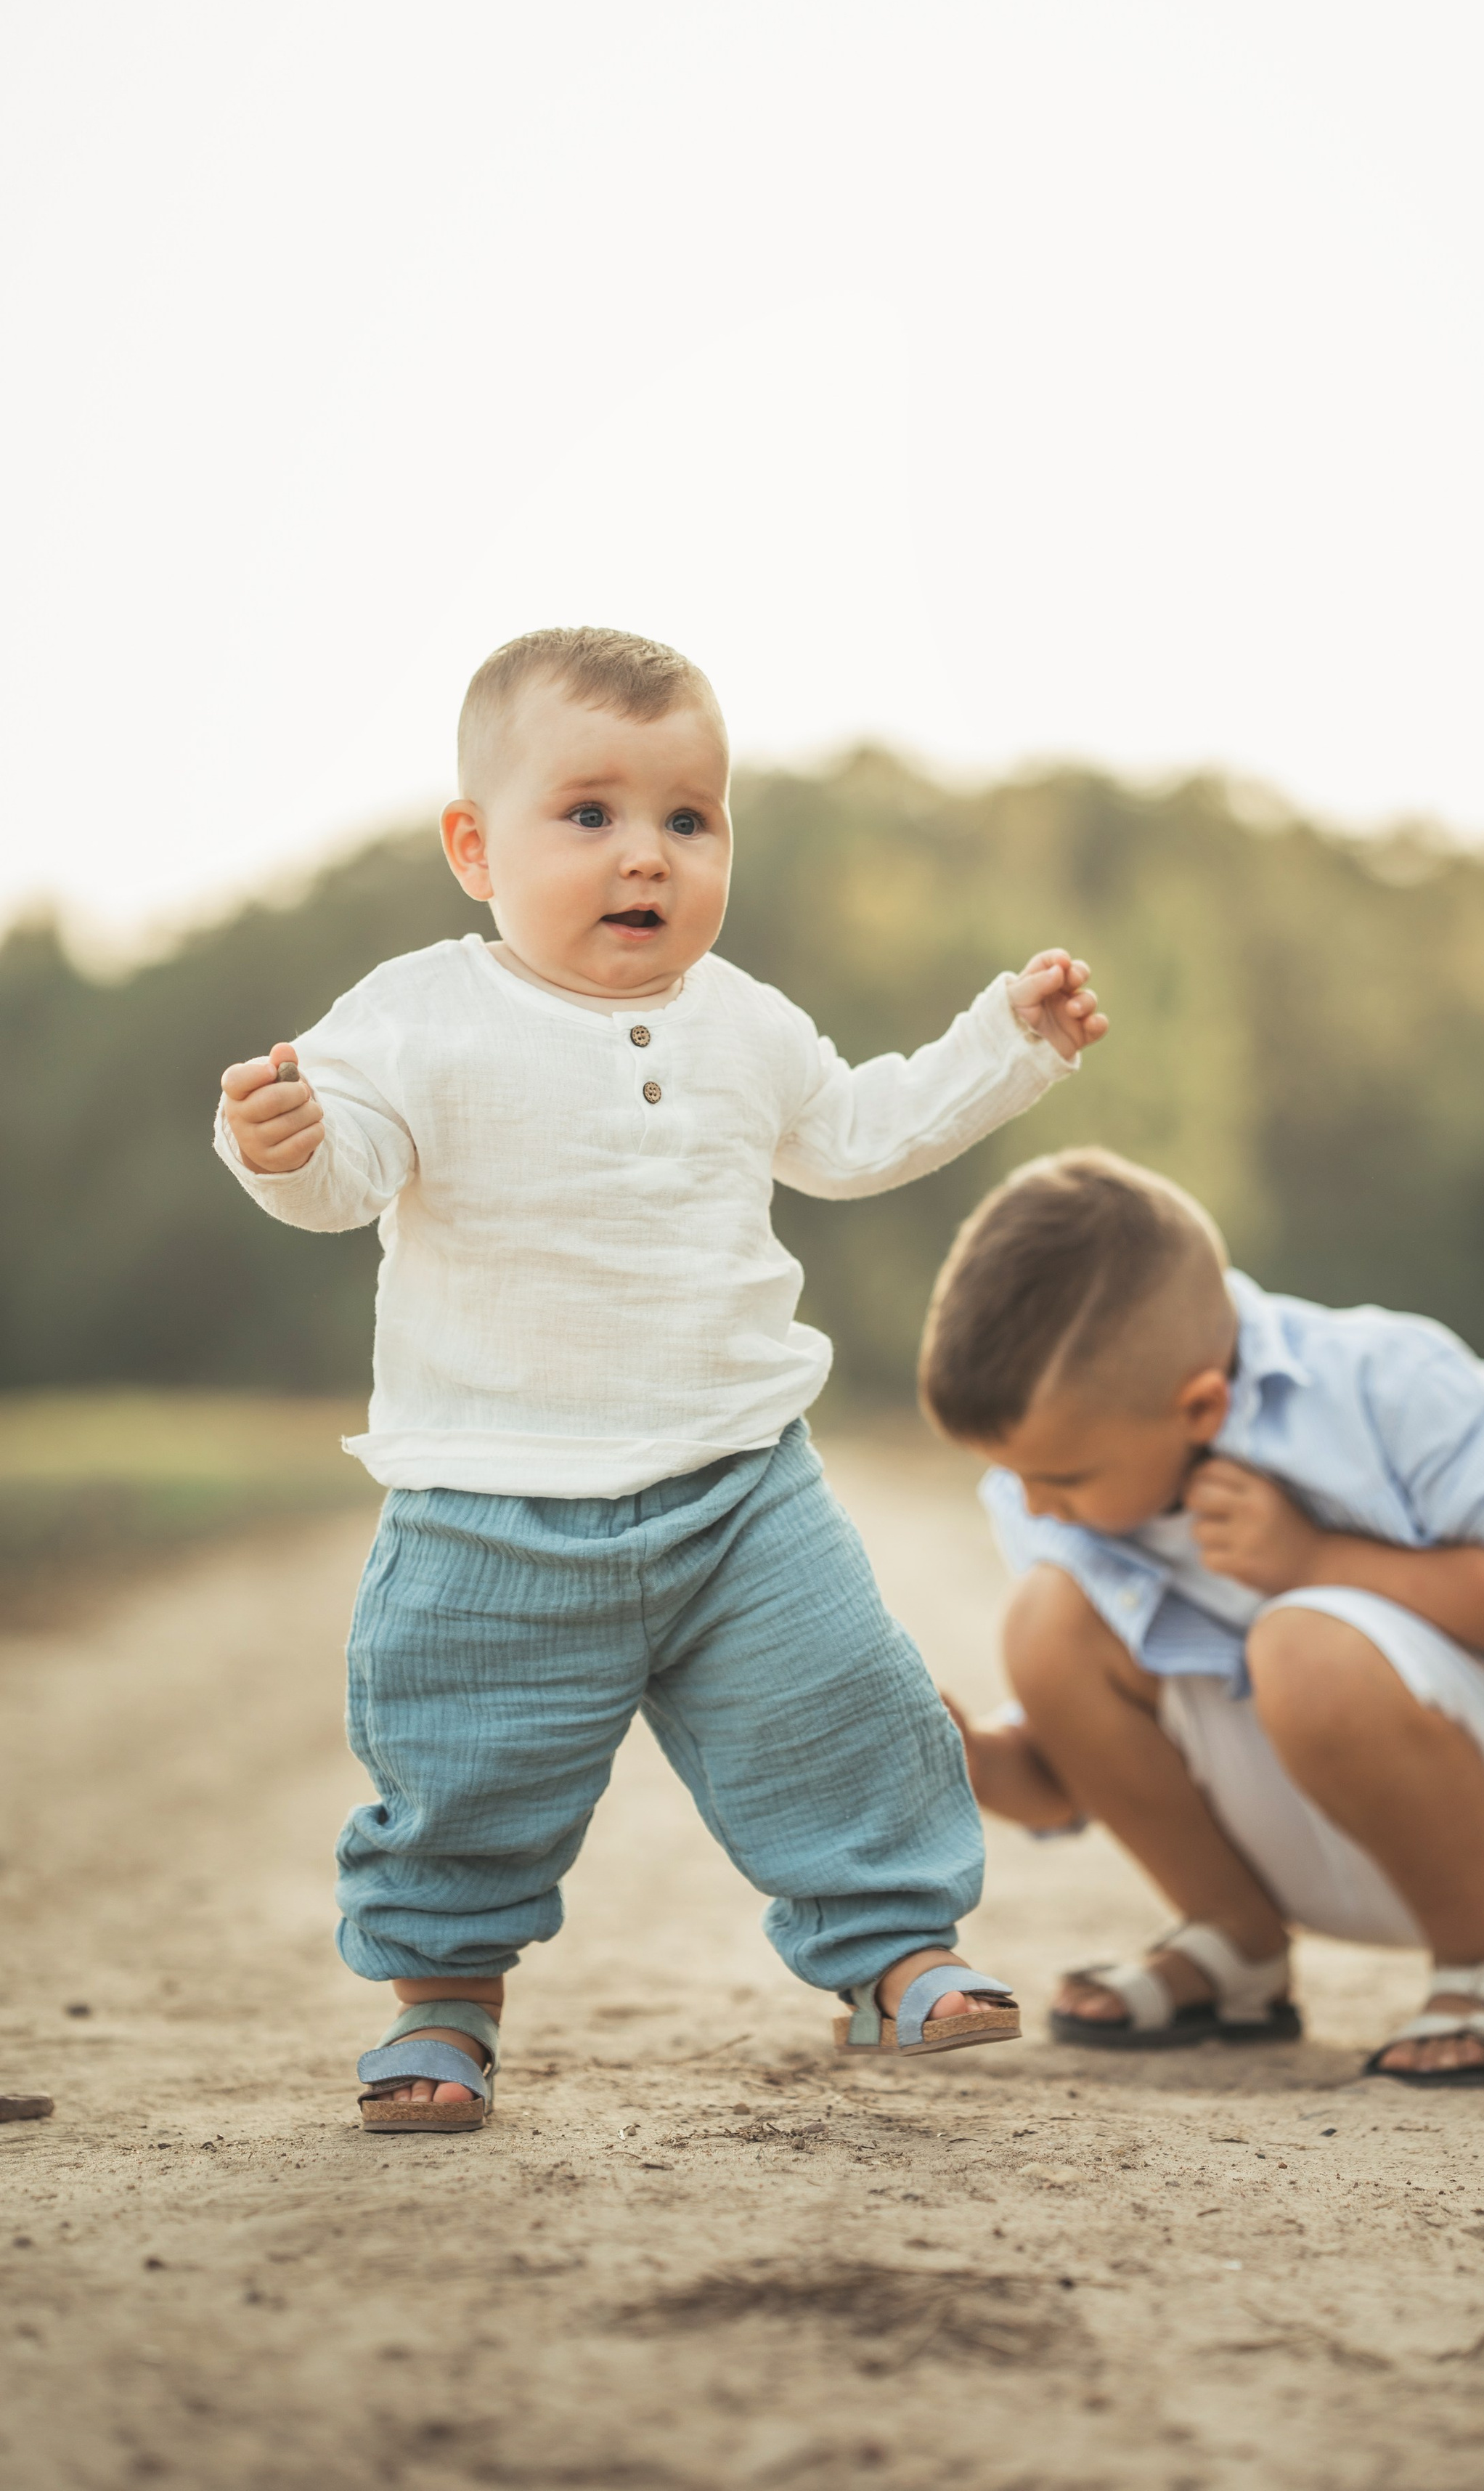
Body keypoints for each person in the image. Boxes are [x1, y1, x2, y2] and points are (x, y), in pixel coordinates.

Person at [214, 627, 1107, 2130]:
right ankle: (442, 2004)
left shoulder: (742, 1021)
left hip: (739, 1480)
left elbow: (854, 1136)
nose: (649, 856)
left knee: (844, 1703)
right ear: (472, 847)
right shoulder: (419, 1010)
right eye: (590, 815)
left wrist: (1002, 1043)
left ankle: (898, 1953)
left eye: (688, 820)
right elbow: (349, 1170)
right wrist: (282, 1146)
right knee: (458, 1766)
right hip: (492, 1505)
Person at [921, 1149, 1484, 2086]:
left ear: (1202, 1405)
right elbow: (1074, 1779)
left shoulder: (1386, 1384)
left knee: (1302, 1640)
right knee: (1045, 1621)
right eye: (1013, 1473)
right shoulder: (1059, 1487)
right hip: (1302, 1828)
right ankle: (1235, 1950)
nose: (1033, 1503)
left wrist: (1317, 1562)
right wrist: (967, 1758)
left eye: (1059, 1477)